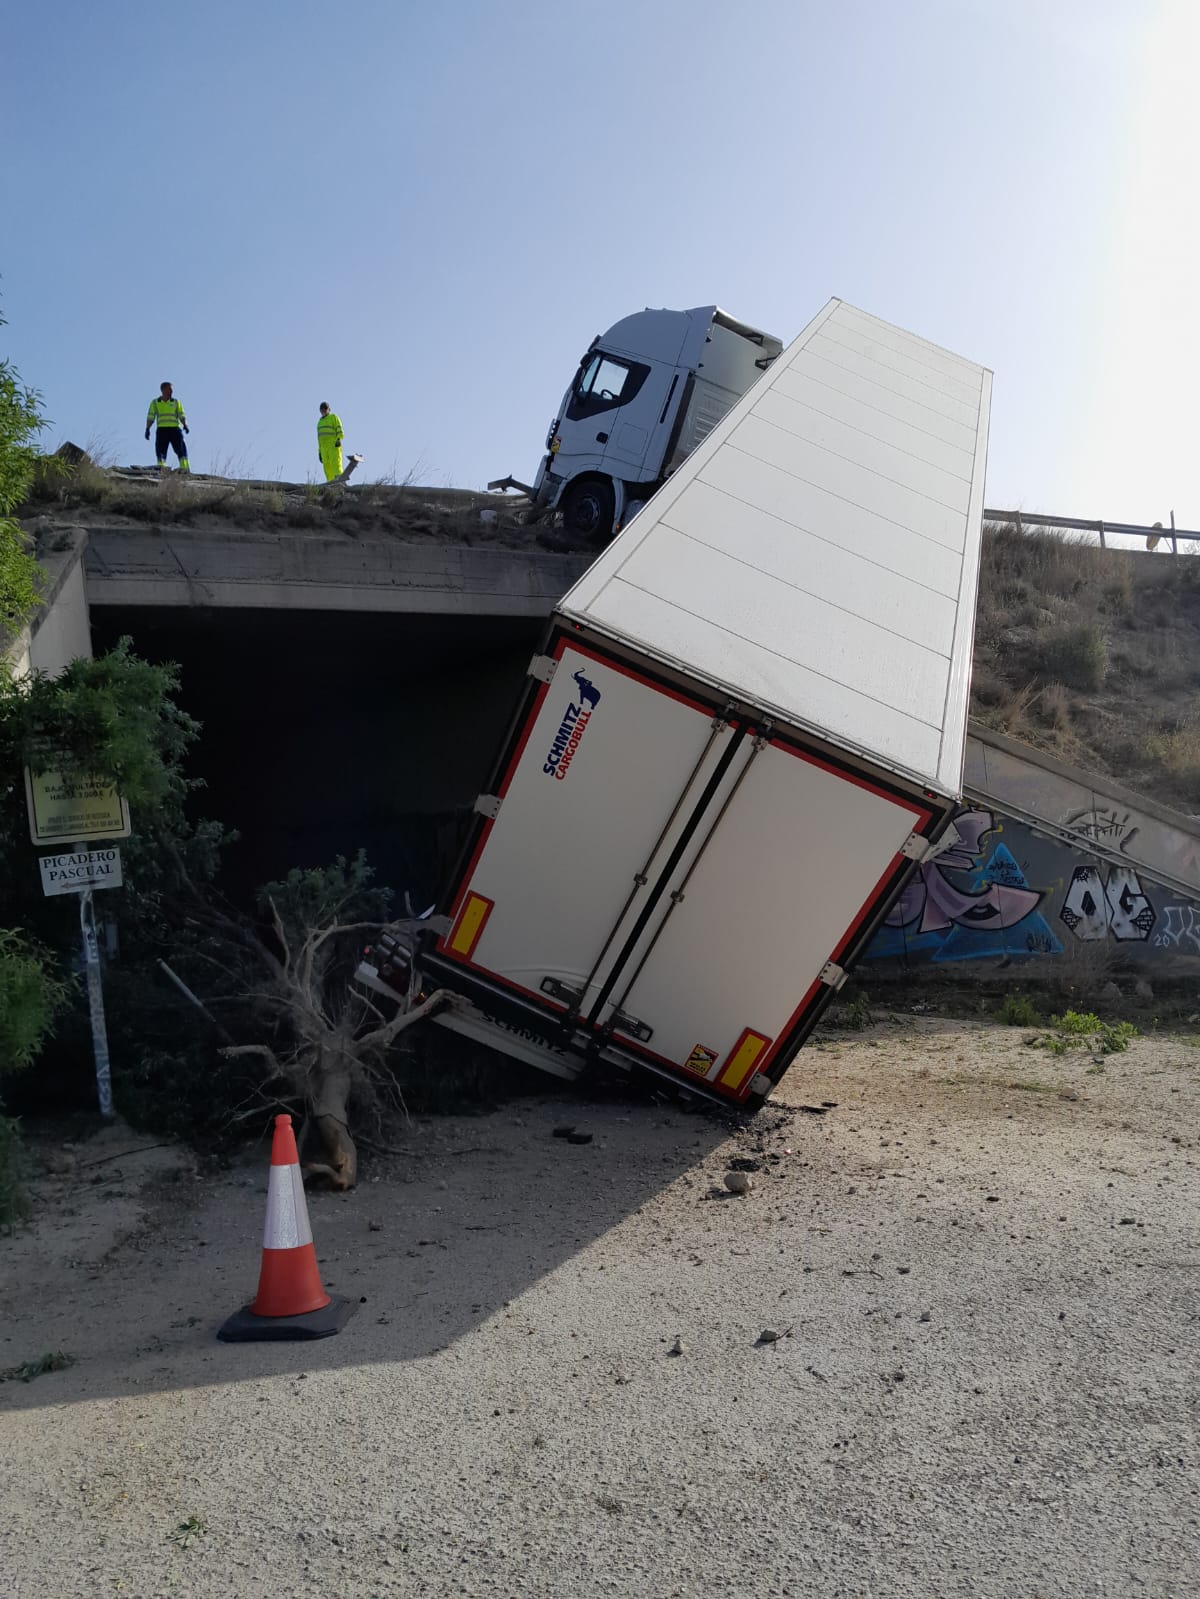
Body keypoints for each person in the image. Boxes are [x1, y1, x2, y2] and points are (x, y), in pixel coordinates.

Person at [145, 382, 190, 472]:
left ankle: (185, 469)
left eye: (171, 389)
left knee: (181, 449)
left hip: (175, 430)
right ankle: (162, 468)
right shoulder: (155, 403)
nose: (171, 391)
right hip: (162, 430)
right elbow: (151, 417)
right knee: (160, 450)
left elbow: (181, 415)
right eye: (169, 389)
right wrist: (147, 429)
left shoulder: (176, 402)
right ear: (163, 390)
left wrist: (185, 425)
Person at [317, 402, 344, 482]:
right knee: (327, 466)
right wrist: (319, 452)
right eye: (322, 409)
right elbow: (319, 438)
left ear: (328, 409)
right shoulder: (320, 423)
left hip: (333, 445)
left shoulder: (333, 417)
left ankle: (339, 480)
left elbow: (339, 428)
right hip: (324, 448)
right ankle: (330, 482)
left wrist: (339, 439)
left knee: (335, 464)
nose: (323, 411)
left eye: (325, 409)